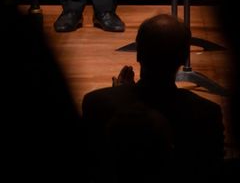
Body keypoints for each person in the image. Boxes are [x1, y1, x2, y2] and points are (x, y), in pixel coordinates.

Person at [81, 14, 225, 182]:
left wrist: (121, 93)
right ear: (184, 56)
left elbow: (92, 165)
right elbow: (213, 171)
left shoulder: (96, 103)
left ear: (138, 53)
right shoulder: (207, 113)